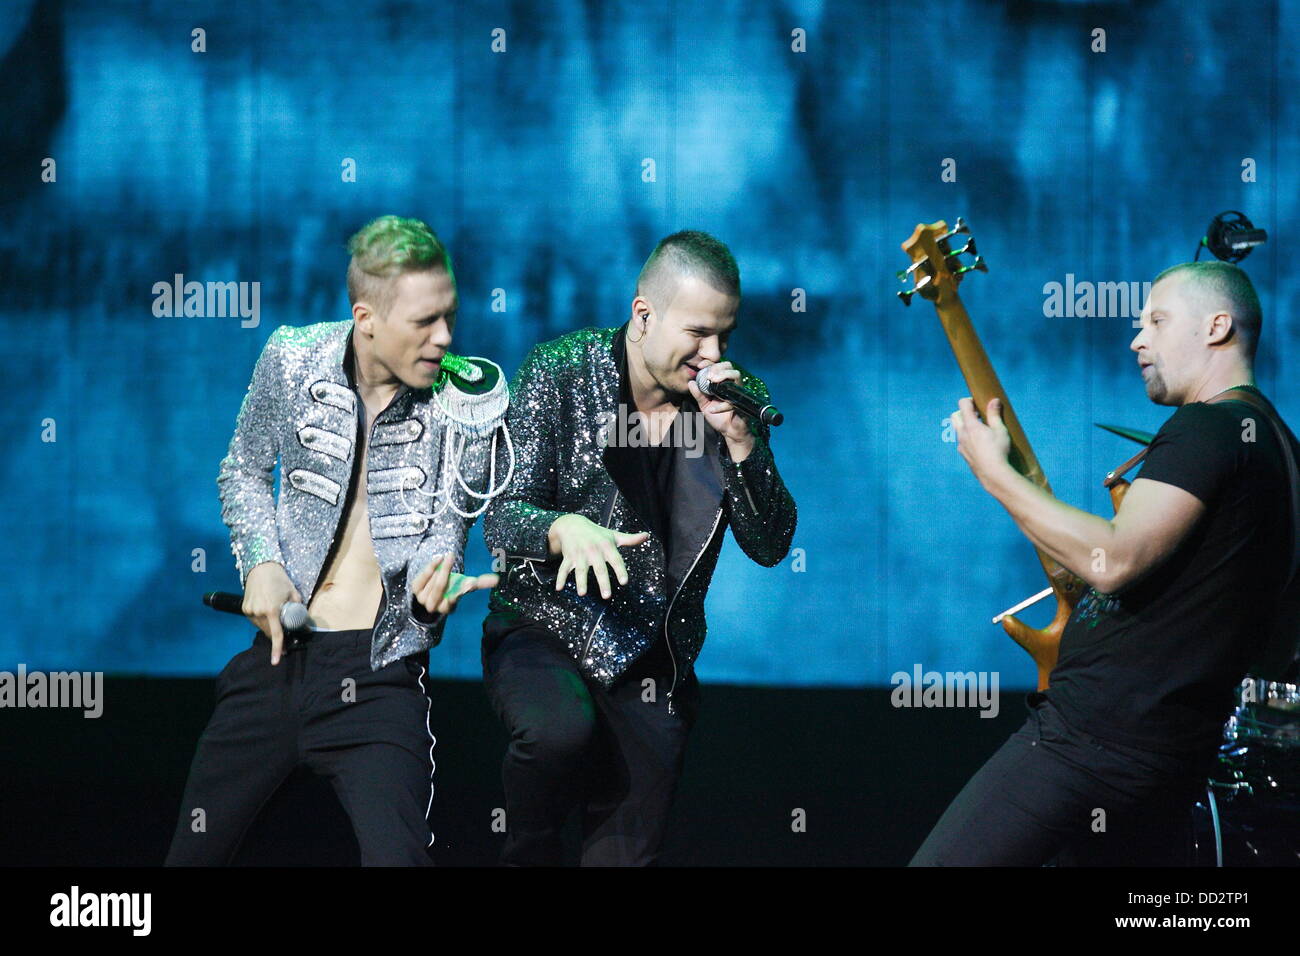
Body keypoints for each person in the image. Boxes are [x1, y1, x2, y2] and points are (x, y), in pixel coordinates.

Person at [911, 260, 1299, 866]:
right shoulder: (1279, 447)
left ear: (1217, 326)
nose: (1137, 339)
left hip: (1090, 745)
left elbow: (1114, 559)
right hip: (1168, 762)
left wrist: (992, 473)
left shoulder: (1207, 427)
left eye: (1157, 321)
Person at [165, 215, 510, 866]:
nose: (444, 339)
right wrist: (261, 566)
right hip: (277, 661)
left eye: (451, 317)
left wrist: (436, 582)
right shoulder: (291, 359)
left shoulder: (465, 401)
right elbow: (241, 469)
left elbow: (449, 523)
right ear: (367, 318)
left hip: (379, 677)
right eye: (424, 322)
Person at [480, 230, 797, 865]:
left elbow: (770, 543)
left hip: (653, 664)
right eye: (698, 334)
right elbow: (500, 517)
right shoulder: (562, 371)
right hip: (547, 630)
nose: (712, 354)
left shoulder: (723, 407)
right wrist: (560, 528)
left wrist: (739, 442)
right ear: (643, 314)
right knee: (558, 732)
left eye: (725, 337)